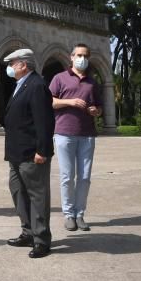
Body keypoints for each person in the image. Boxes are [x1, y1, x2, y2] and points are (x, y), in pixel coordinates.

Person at [2, 48, 55, 258]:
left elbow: (44, 122)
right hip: (16, 152)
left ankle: (41, 239)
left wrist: (42, 150)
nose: (9, 67)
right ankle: (28, 232)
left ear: (24, 65)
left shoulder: (37, 86)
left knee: (37, 196)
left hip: (32, 153)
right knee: (18, 191)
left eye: (12, 63)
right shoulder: (21, 85)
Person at [48, 43, 101, 232]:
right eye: (79, 55)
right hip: (64, 133)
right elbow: (50, 101)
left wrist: (96, 111)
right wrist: (69, 101)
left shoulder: (92, 82)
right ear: (71, 57)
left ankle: (80, 214)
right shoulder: (59, 78)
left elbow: (99, 107)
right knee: (67, 177)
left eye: (85, 55)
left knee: (84, 177)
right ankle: (68, 214)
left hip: (87, 135)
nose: (82, 58)